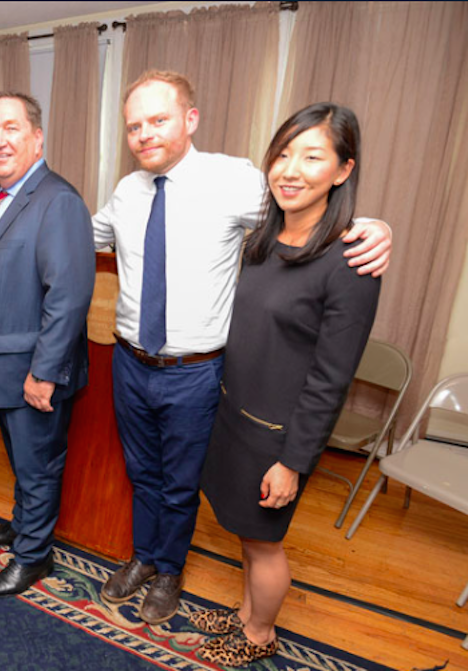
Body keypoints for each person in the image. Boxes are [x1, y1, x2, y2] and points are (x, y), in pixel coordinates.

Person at [93, 71, 392, 624]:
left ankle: (169, 570)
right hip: (130, 363)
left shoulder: (233, 180)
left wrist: (371, 225)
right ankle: (143, 556)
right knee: (142, 473)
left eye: (158, 119)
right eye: (134, 125)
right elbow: (85, 236)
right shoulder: (126, 190)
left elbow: (304, 210)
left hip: (196, 372)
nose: (144, 134)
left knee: (181, 482)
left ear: (190, 119)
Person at [191, 103, 379, 665]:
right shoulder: (262, 240)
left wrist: (293, 462)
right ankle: (247, 615)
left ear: (343, 171)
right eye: (282, 154)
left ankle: (259, 636)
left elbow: (331, 378)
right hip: (233, 417)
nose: (290, 169)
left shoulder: (351, 263)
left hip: (277, 438)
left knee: (265, 543)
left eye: (312, 156)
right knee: (246, 538)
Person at [0, 92, 95, 597]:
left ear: (37, 137)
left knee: (38, 467)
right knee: (23, 462)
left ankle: (33, 557)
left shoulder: (57, 200)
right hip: (4, 367)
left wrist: (43, 373)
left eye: (11, 128)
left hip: (35, 374)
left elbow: (69, 296)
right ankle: (24, 528)